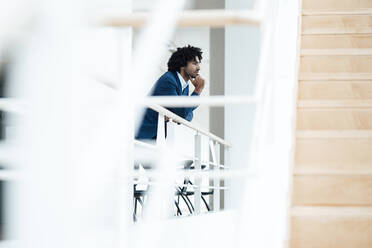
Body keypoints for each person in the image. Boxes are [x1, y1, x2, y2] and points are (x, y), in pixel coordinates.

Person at [136, 45, 205, 140]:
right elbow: (182, 114)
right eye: (194, 63)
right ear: (183, 65)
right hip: (144, 135)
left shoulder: (184, 85)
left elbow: (187, 116)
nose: (198, 68)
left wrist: (179, 115)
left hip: (158, 137)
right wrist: (197, 90)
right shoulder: (169, 80)